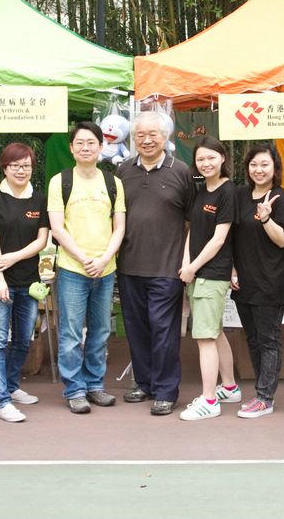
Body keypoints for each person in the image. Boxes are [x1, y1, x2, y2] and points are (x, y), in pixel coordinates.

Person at [116, 110, 196, 416]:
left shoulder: (181, 171)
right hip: (129, 265)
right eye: (140, 135)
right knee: (136, 329)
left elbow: (191, 221)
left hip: (167, 267)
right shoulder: (123, 171)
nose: (147, 140)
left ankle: (166, 390)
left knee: (163, 330)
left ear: (166, 137)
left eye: (153, 134)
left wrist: (186, 261)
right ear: (133, 138)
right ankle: (145, 382)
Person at [48, 121, 126, 414]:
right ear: (71, 148)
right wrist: (83, 258)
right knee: (70, 333)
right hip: (73, 268)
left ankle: (95, 385)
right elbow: (57, 228)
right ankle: (75, 389)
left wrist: (104, 259)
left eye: (91, 142)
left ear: (101, 147)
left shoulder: (113, 182)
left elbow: (119, 226)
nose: (85, 147)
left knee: (101, 330)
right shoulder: (60, 181)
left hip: (105, 269)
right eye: (79, 143)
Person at [0, 142, 50, 423]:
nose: (21, 171)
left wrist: (15, 257)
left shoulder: (39, 199)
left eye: (26, 166)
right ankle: (1, 401)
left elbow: (41, 240)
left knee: (22, 340)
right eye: (15, 166)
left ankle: (11, 385)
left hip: (29, 282)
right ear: (5, 168)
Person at [230, 144, 284, 419]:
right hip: (244, 280)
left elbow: (283, 241)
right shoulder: (239, 195)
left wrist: (266, 217)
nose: (259, 169)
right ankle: (260, 391)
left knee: (269, 340)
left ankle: (265, 398)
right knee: (254, 339)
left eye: (265, 164)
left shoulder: (281, 198)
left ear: (275, 168)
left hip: (271, 281)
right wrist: (232, 269)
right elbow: (232, 236)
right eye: (254, 164)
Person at [178, 136, 238, 421]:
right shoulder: (201, 191)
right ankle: (230, 387)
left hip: (212, 274)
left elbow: (219, 239)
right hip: (197, 273)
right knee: (215, 332)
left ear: (222, 158)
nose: (206, 163)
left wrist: (193, 267)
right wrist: (186, 263)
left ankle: (210, 400)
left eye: (211, 157)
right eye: (200, 159)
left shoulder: (228, 191)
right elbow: (193, 230)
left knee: (204, 337)